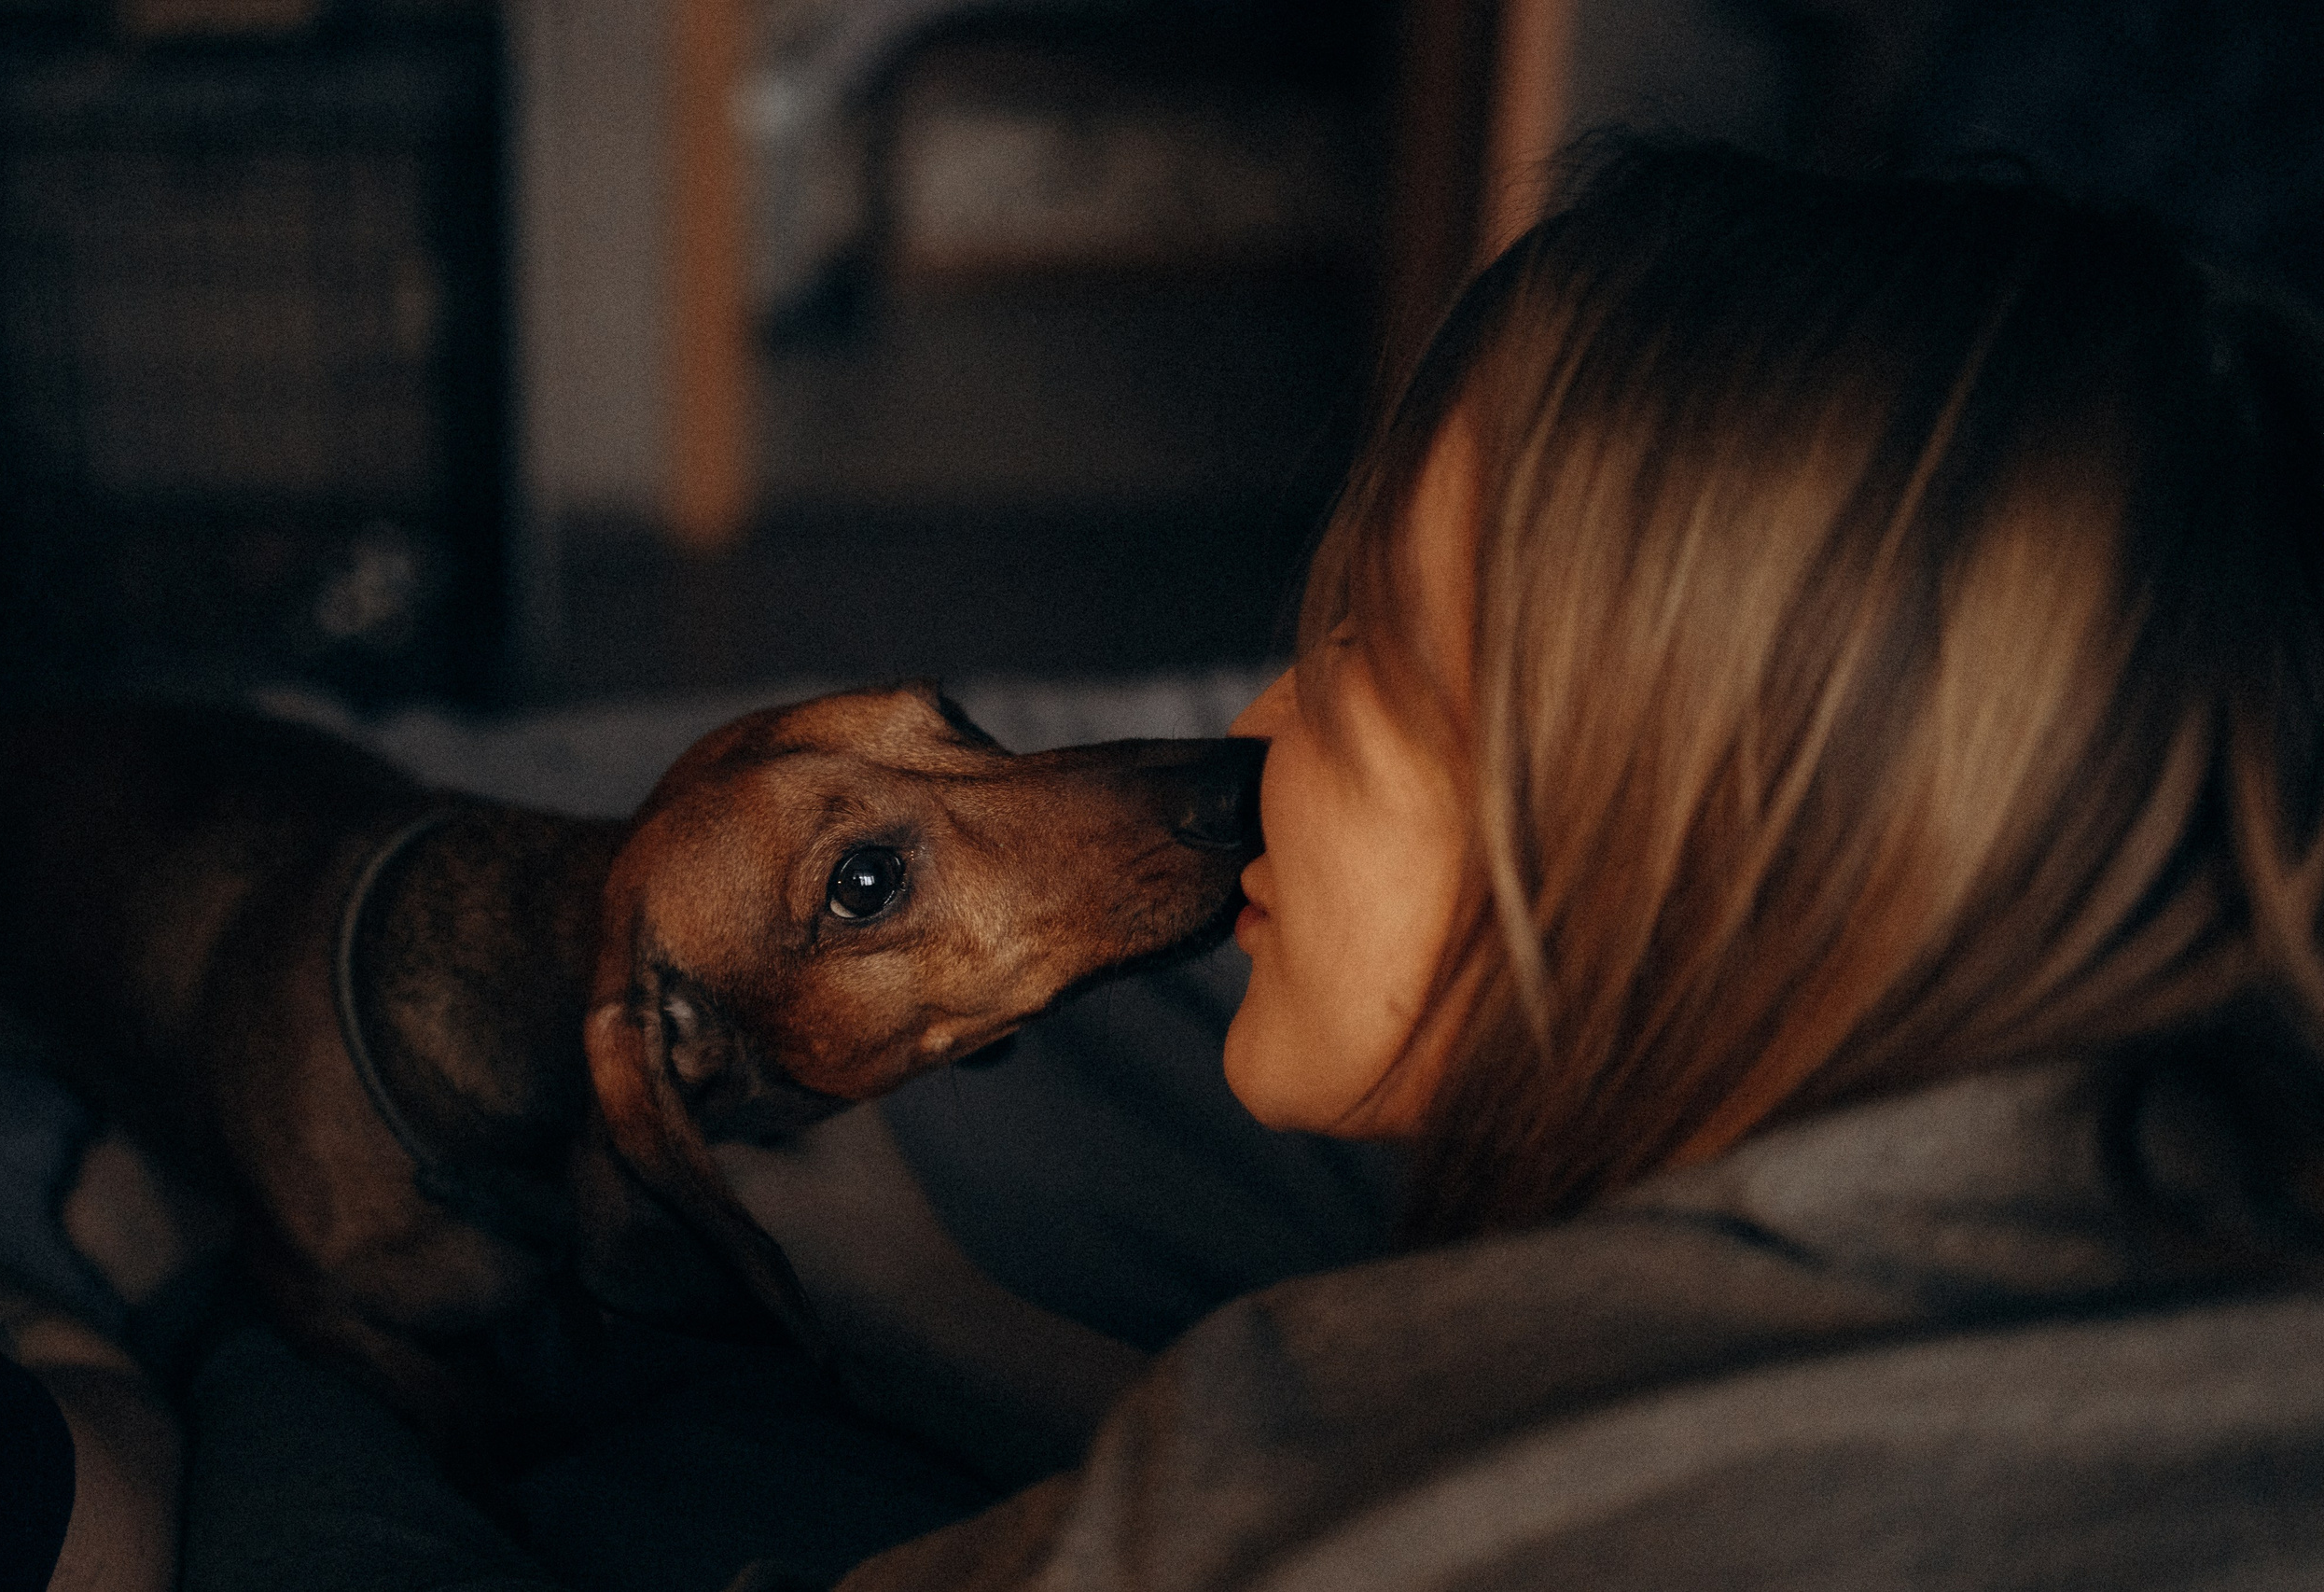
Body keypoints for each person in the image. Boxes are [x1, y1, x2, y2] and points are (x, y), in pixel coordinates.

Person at [152, 138, 2324, 1586]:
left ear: (1659, 829)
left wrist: (201, 1362)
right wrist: (923, 1311)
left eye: (1359, 657)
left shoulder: (1297, 1459)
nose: (1249, 736)